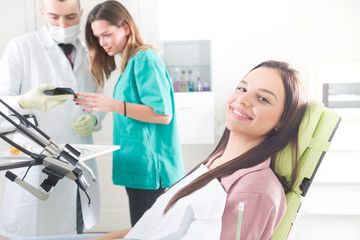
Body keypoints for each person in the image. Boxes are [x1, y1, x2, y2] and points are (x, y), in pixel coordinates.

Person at [74, 0, 184, 227]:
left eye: (106, 34)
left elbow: (162, 114)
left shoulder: (145, 59)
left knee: (148, 232)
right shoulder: (130, 63)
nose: (102, 42)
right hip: (137, 167)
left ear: (125, 27)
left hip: (152, 173)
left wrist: (112, 105)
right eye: (97, 38)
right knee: (140, 229)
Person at [0, 0, 104, 237]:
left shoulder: (92, 51)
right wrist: (23, 102)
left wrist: (95, 119)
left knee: (74, 230)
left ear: (81, 13)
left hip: (79, 166)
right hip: (37, 169)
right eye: (54, 17)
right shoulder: (21, 47)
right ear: (42, 12)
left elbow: (99, 96)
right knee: (38, 231)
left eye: (70, 17)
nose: (62, 24)